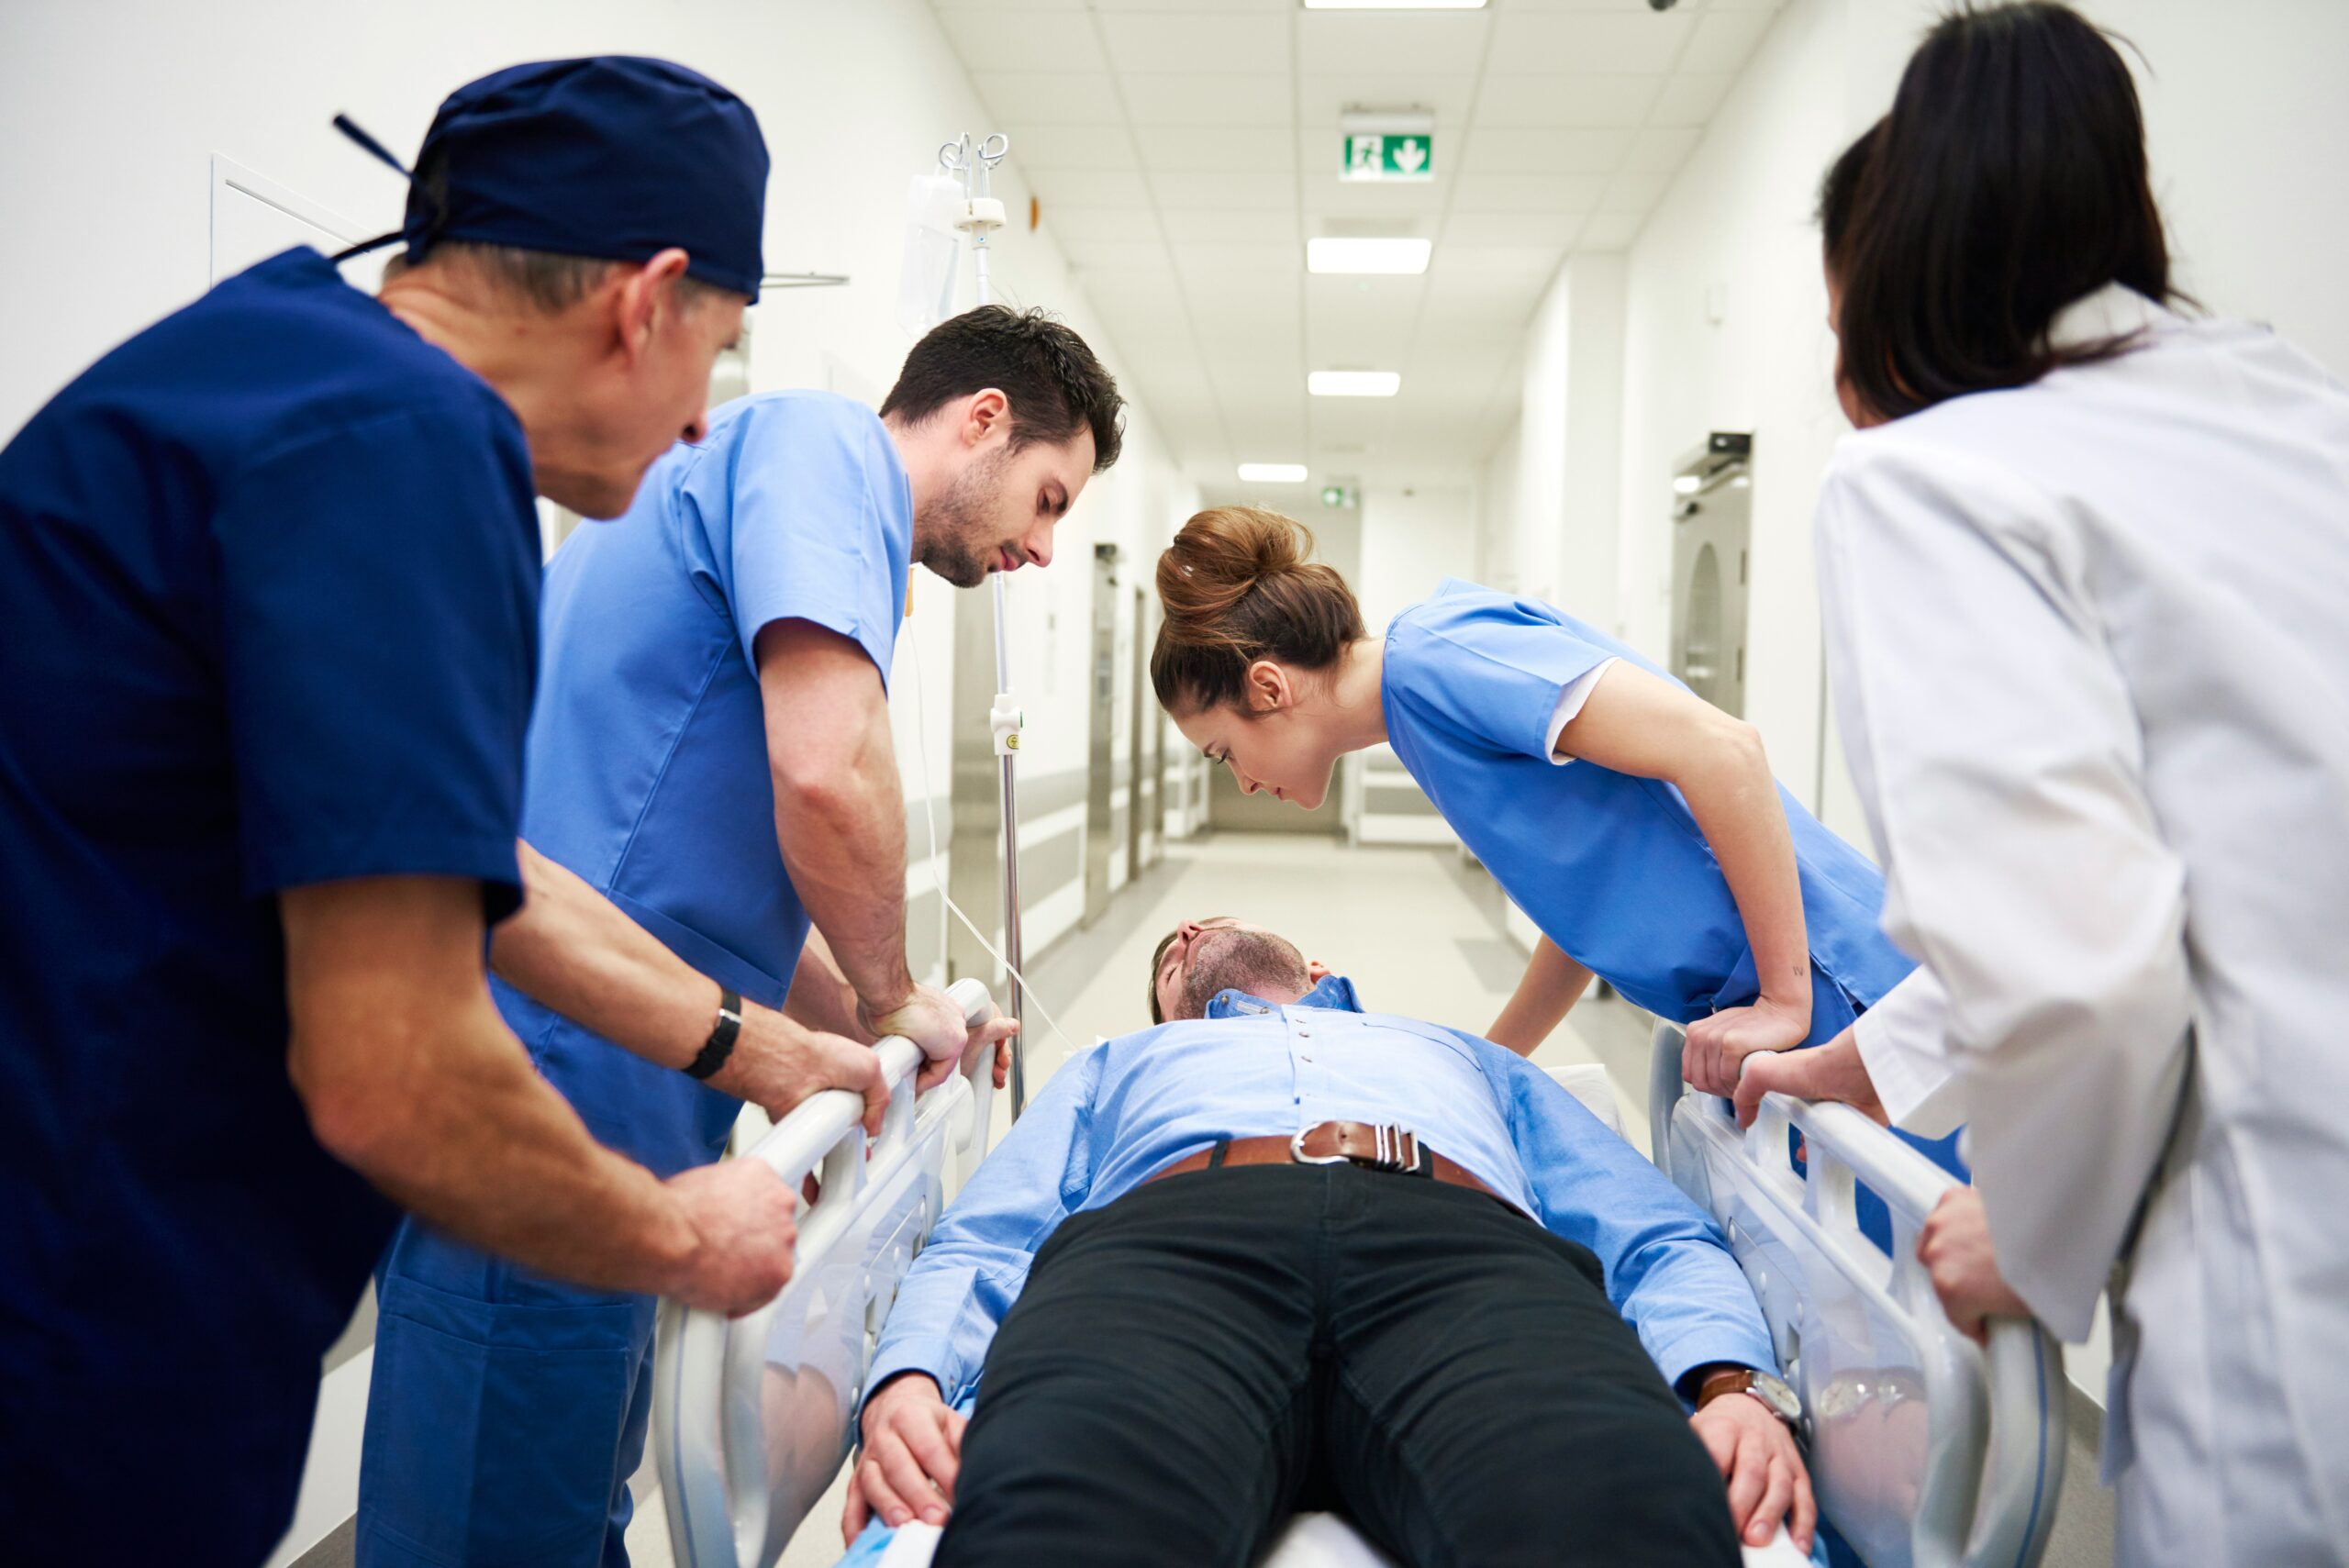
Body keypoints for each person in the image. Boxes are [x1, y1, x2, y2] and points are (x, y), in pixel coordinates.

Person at [0, 57, 835, 1568]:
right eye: (716, 351)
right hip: (73, 1305)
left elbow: (467, 866)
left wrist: (765, 1043)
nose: (705, 422)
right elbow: (392, 1071)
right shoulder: (410, 446)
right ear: (643, 303)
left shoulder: (273, 369)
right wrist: (682, 1234)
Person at [358, 305, 1125, 1568]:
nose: (1043, 547)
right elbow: (823, 777)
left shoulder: (782, 494)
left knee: (563, 1495)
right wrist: (892, 1001)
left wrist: (848, 1021)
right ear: (983, 419)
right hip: (556, 1069)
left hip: (617, 1068)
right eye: (1047, 501)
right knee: (493, 1521)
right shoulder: (821, 451)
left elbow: (730, 876)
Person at [1752, 6, 2349, 1562]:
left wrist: (2035, 1227)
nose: (1841, 389)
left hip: (2294, 1259)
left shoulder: (1934, 478)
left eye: (1838, 335)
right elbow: (2225, 843)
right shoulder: (2291, 417)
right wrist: (1872, 1065)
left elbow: (2084, 970)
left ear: (1900, 280)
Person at [850, 915, 1815, 1566]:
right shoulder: (1122, 1060)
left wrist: (1732, 1384)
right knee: (1053, 1521)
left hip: (1464, 1259)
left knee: (1628, 1517)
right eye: (1168, 962)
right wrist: (909, 1378)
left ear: (1315, 969)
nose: (1182, 934)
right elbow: (986, 1235)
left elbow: (1651, 1225)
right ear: (1171, 1011)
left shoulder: (1461, 1052)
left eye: (1197, 923)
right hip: (1167, 1252)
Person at [1147, 507, 1964, 1211]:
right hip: (1774, 1013)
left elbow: (1725, 751)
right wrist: (1485, 1066)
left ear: (1268, 687)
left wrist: (1786, 996)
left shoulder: (1440, 656)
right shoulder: (1416, 719)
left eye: (1225, 754)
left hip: (1843, 988)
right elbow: (1581, 907)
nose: (1244, 782)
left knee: (1952, 1282)